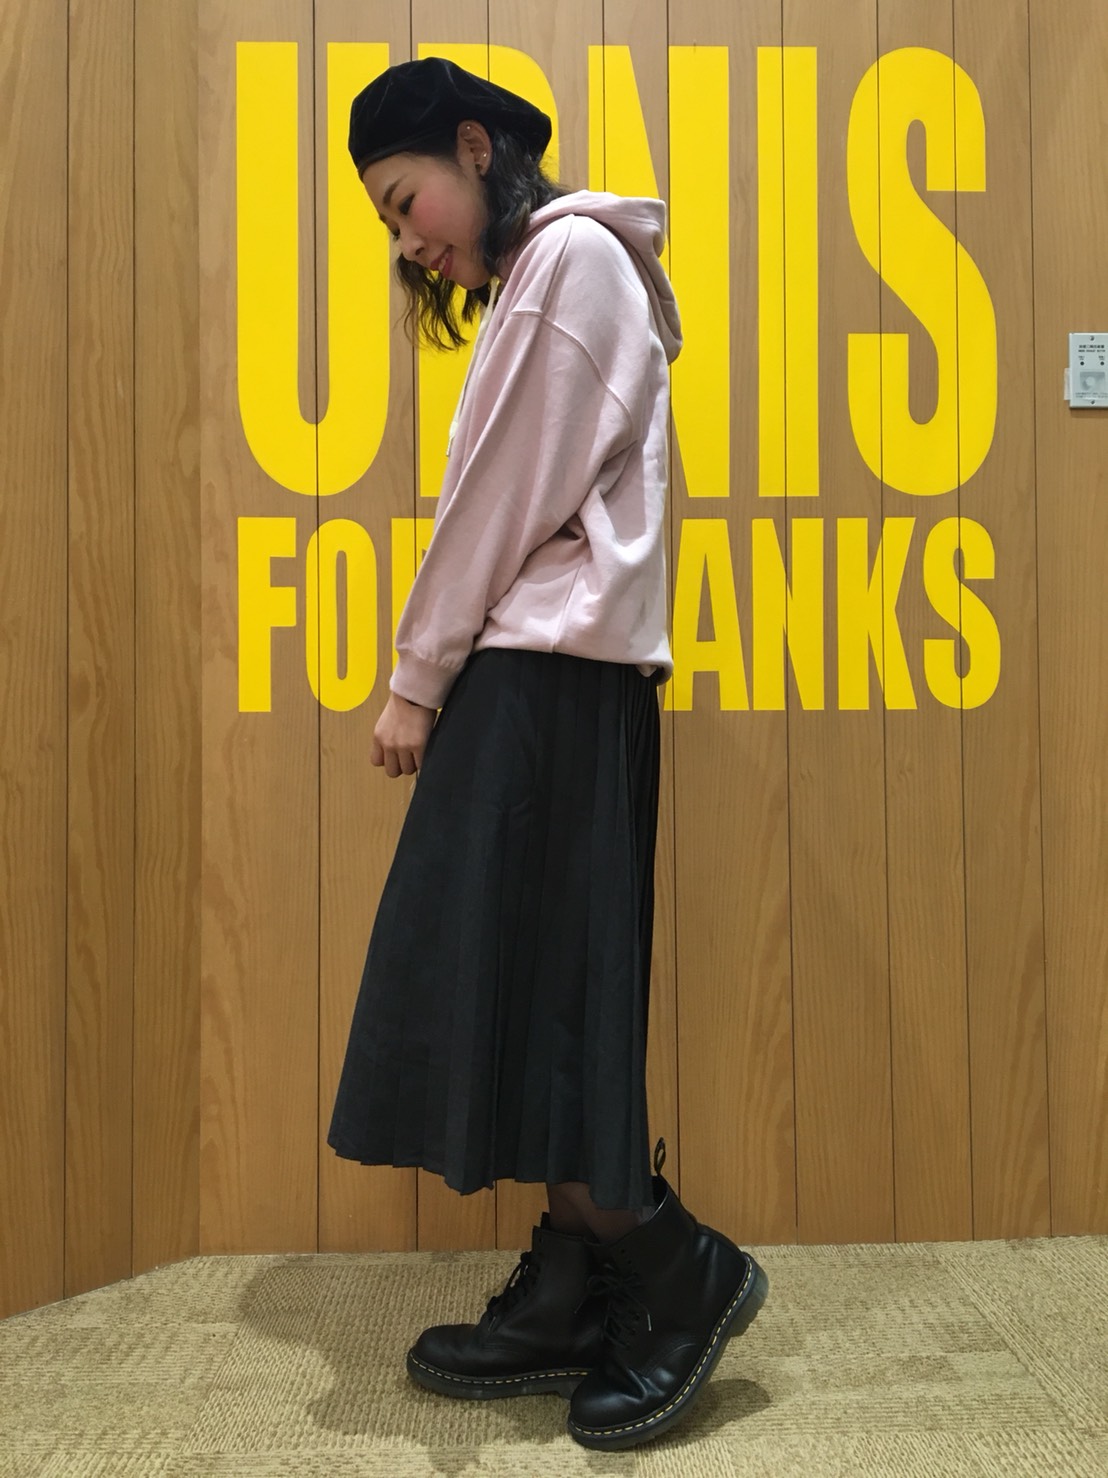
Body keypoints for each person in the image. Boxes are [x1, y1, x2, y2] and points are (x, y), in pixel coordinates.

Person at [327, 56, 767, 1451]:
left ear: (475, 147)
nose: (408, 240)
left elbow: (497, 501)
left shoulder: (570, 260)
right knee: (526, 996)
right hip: (546, 684)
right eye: (389, 223)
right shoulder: (552, 274)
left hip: (550, 684)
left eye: (405, 201)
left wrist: (415, 679)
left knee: (546, 999)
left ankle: (680, 1273)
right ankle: (576, 1282)